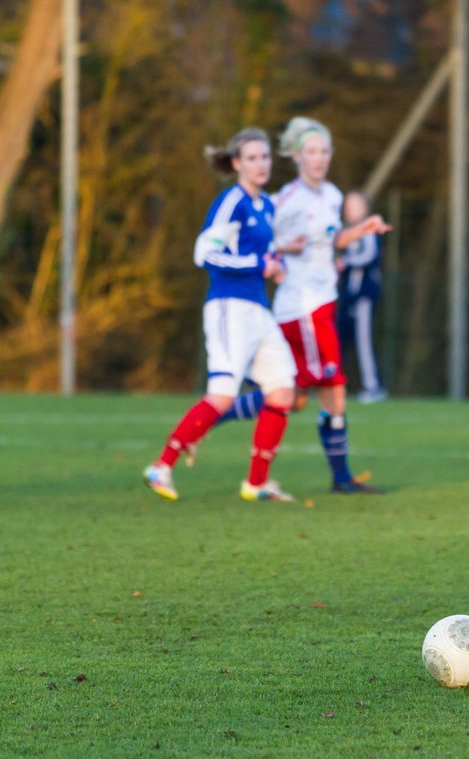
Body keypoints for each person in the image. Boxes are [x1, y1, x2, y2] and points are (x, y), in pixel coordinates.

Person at [219, 117, 392, 493]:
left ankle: (216, 411)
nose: (319, 158)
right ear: (297, 156)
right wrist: (279, 255)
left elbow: (329, 241)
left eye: (324, 151)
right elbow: (258, 240)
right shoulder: (286, 199)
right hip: (303, 309)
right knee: (333, 389)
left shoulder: (330, 195)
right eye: (311, 151)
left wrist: (361, 230)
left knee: (292, 397)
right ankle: (341, 478)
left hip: (320, 305)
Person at [142, 128, 297, 503]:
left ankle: (256, 483)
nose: (261, 164)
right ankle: (161, 465)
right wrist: (256, 263)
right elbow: (205, 253)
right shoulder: (233, 201)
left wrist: (275, 263)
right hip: (229, 307)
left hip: (258, 308)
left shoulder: (266, 206)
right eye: (252, 158)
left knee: (282, 392)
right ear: (236, 163)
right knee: (223, 395)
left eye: (265, 157)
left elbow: (260, 253)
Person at [337, 190, 388, 404]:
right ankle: (333, 385)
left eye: (355, 205)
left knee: (364, 341)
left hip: (364, 296)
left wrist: (346, 262)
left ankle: (373, 387)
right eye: (347, 206)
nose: (350, 210)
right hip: (348, 296)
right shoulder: (345, 232)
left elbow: (369, 256)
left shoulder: (368, 230)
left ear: (364, 208)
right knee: (340, 339)